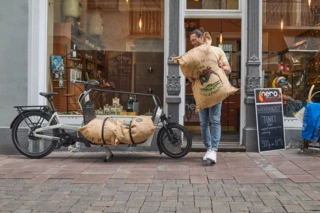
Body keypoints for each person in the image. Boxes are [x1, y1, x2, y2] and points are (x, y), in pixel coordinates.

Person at [188, 28, 231, 164]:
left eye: (194, 40)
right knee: (203, 123)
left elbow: (228, 70)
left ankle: (214, 150)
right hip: (201, 93)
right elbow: (190, 76)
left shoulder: (217, 51)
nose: (192, 43)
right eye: (191, 41)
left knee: (215, 120)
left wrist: (221, 66)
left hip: (215, 91)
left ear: (202, 38)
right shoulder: (192, 54)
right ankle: (208, 148)